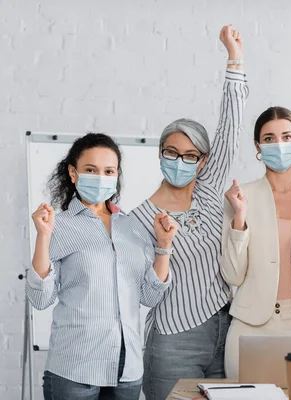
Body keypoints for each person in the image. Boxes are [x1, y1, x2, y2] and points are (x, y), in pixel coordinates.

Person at [128, 24, 249, 400]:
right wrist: (163, 245)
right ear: (160, 152)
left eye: (191, 155)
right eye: (172, 153)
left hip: (228, 328)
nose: (181, 161)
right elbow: (145, 293)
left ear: (203, 161)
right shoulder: (137, 219)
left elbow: (231, 127)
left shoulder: (210, 189)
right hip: (173, 338)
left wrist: (234, 60)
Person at [26, 133, 176, 400]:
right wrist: (43, 237)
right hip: (75, 368)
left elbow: (150, 296)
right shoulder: (58, 225)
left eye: (109, 171)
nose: (101, 177)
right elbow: (39, 298)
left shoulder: (131, 227)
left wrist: (163, 246)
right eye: (90, 170)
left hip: (127, 370)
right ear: (73, 173)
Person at [221, 106, 291, 379]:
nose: (279, 144)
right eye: (270, 138)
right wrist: (239, 218)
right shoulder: (240, 197)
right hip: (249, 325)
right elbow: (233, 275)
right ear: (258, 146)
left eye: (286, 136)